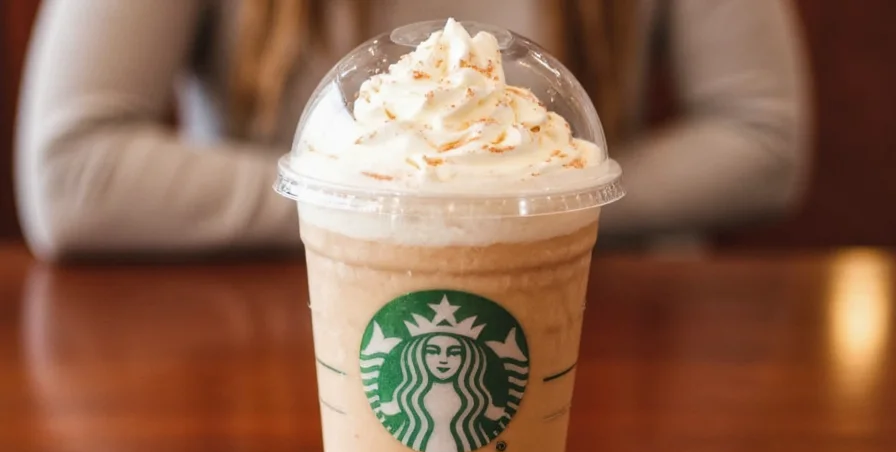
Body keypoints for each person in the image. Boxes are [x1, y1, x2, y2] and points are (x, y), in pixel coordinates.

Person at [15, 0, 811, 260]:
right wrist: (425, 206)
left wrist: (533, 200)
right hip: (280, 322)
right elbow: (72, 172)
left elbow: (764, 141)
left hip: (607, 322)